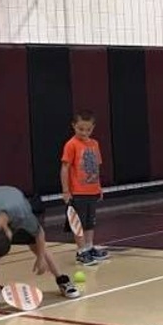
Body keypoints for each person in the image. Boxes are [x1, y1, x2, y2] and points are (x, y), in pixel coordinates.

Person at [0, 185, 80, 310]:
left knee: (39, 248)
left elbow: (39, 234)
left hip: (14, 201)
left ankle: (62, 280)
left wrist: (40, 258)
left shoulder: (23, 216)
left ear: (9, 233)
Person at [61, 109, 108, 266]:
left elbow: (96, 167)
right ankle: (81, 251)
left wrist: (99, 187)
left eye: (88, 129)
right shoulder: (71, 145)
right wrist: (66, 190)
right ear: (74, 126)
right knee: (78, 223)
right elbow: (65, 168)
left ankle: (89, 246)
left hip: (92, 190)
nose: (84, 132)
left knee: (90, 222)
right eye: (80, 129)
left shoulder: (95, 144)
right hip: (78, 192)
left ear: (93, 128)